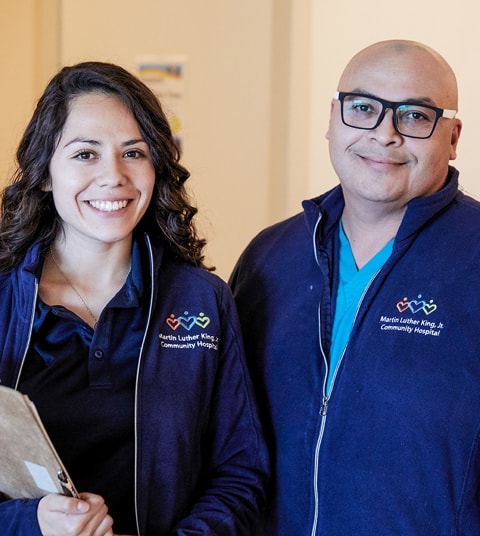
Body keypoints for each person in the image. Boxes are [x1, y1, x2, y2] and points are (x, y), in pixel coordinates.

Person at [0, 61, 268, 535]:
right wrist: (28, 524)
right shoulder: (4, 299)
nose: (114, 176)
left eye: (133, 153)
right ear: (44, 173)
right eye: (85, 154)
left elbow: (240, 474)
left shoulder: (202, 301)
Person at [229, 39, 480, 535]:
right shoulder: (269, 258)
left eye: (414, 115)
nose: (384, 134)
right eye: (363, 108)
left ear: (451, 138)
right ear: (333, 120)